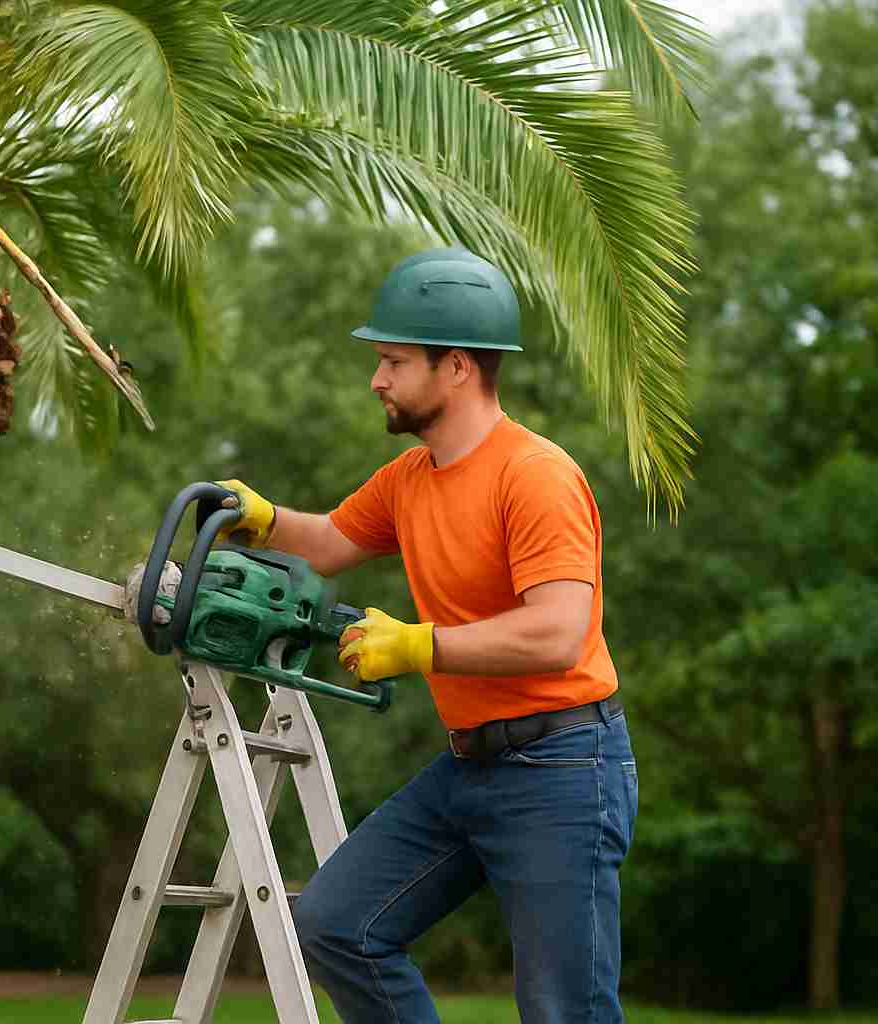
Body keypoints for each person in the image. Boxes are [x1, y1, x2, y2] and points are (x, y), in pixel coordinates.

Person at [214, 248, 638, 1023]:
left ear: (456, 368)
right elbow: (333, 541)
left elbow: (558, 634)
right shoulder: (410, 478)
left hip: (565, 767)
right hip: (470, 766)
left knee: (562, 1009)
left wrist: (419, 646)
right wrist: (267, 519)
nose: (377, 378)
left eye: (393, 361)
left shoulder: (535, 476)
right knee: (339, 923)